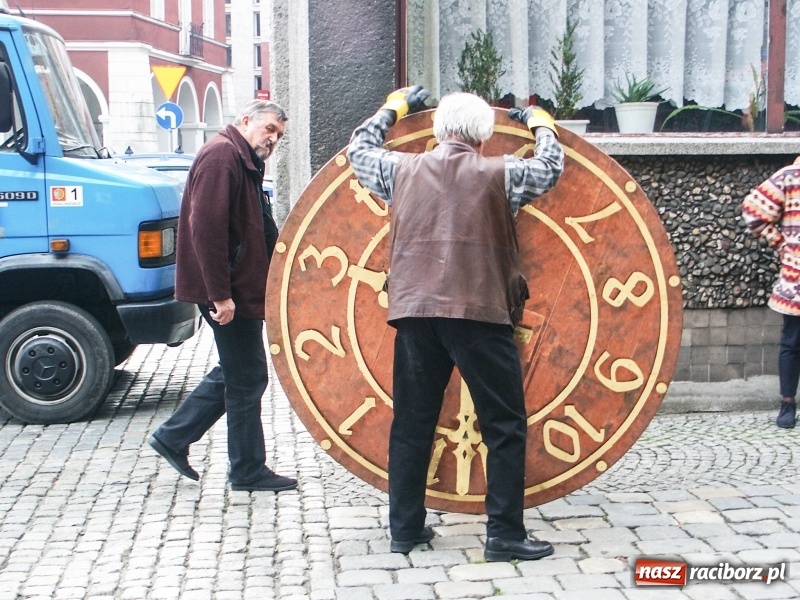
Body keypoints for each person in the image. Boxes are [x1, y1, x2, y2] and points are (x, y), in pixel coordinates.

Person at [347, 87, 564, 561]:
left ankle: (405, 530)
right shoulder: (503, 173)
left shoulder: (399, 169)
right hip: (480, 313)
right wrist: (541, 124)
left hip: (415, 312)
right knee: (503, 425)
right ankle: (504, 535)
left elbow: (358, 149)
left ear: (437, 130)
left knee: (412, 423)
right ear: (483, 138)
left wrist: (392, 109)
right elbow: (551, 166)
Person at [148, 99, 297, 492]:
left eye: (279, 135)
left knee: (239, 371)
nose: (273, 139)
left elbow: (257, 225)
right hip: (228, 291)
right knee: (247, 376)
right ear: (246, 121)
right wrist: (220, 295)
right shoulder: (222, 156)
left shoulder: (242, 159)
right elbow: (206, 229)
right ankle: (246, 470)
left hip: (237, 286)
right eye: (269, 129)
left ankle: (174, 436)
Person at [742, 157, 800, 429]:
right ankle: (787, 402)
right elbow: (753, 210)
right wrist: (782, 245)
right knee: (792, 342)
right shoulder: (791, 176)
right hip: (797, 279)